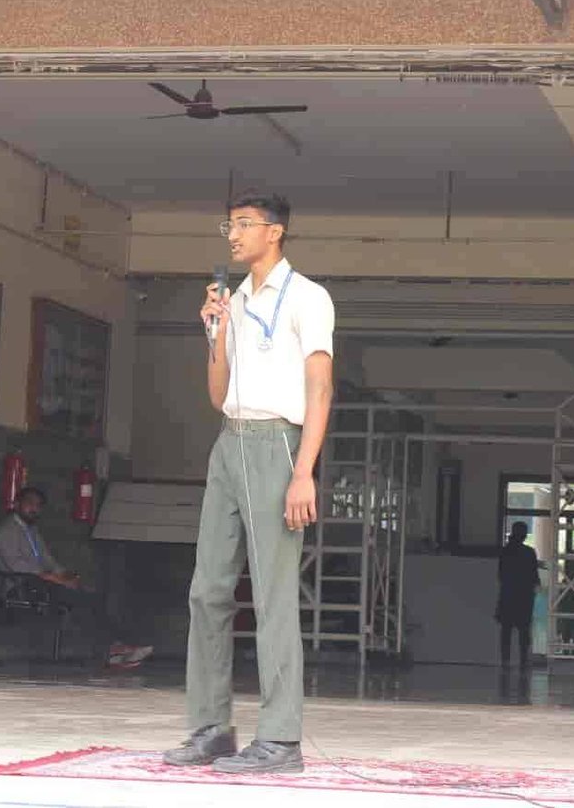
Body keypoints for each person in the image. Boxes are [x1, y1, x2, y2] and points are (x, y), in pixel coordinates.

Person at [163, 191, 335, 776]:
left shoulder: (308, 297)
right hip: (229, 443)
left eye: (243, 224)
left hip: (278, 444)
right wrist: (214, 332)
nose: (232, 235)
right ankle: (211, 727)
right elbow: (218, 395)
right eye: (229, 225)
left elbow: (320, 388)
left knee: (272, 597)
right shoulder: (234, 300)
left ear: (275, 231)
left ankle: (281, 739)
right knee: (207, 589)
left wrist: (304, 471)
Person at [0, 487, 153, 670]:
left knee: (90, 597)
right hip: (21, 587)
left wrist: (65, 575)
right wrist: (58, 580)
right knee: (80, 600)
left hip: (42, 584)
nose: (34, 508)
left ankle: (118, 645)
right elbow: (21, 568)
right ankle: (113, 648)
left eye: (38, 505)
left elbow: (47, 560)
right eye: (30, 503)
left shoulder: (32, 531)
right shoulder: (7, 531)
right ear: (16, 504)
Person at [496, 522, 541, 669]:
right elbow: (534, 576)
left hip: (508, 594)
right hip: (524, 596)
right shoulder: (529, 552)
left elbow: (501, 574)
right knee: (524, 630)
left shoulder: (505, 551)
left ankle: (505, 659)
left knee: (506, 630)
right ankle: (523, 659)